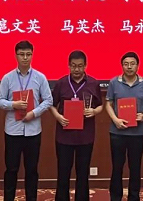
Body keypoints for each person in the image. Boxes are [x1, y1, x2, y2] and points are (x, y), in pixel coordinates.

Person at [0, 40, 53, 201]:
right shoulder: (8, 78)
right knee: (11, 169)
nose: (25, 58)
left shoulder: (40, 77)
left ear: (32, 55)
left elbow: (48, 100)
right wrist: (13, 105)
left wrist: (34, 113)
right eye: (22, 54)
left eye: (28, 54)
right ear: (16, 56)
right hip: (13, 131)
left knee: (32, 170)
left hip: (33, 131)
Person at [50, 50, 103, 201]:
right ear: (68, 66)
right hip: (64, 136)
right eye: (73, 66)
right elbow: (52, 105)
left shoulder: (93, 83)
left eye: (80, 66)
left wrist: (94, 111)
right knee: (63, 172)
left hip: (85, 136)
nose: (77, 69)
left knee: (83, 173)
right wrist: (58, 117)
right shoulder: (61, 83)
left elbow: (100, 105)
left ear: (85, 66)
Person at [105, 52, 143, 201]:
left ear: (137, 66)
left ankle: (134, 197)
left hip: (137, 133)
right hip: (117, 132)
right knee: (117, 167)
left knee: (135, 168)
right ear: (122, 66)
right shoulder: (114, 82)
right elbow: (108, 104)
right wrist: (115, 119)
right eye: (126, 64)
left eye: (132, 64)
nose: (129, 67)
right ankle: (115, 197)